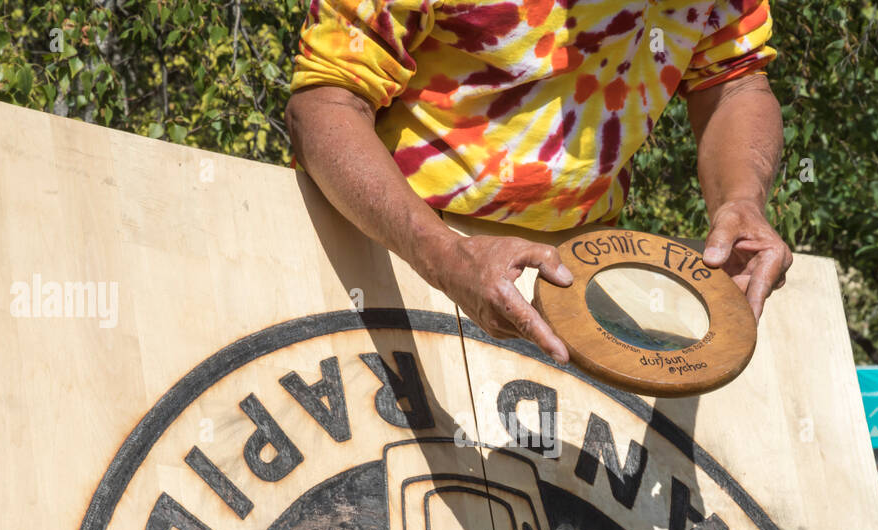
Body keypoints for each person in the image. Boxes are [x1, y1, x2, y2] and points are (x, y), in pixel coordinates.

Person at [285, 1, 793, 362]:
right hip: (377, 250)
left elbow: (734, 83)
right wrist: (442, 256)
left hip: (571, 278)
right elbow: (324, 105)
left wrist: (741, 200)